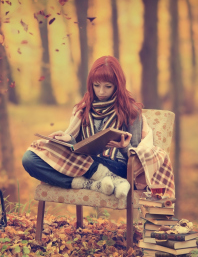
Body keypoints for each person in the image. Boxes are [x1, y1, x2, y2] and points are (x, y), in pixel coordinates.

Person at [22, 56, 143, 200]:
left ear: (118, 85)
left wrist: (124, 146)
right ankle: (90, 184)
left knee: (84, 160)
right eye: (96, 85)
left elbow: (137, 157)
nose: (101, 92)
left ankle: (106, 177)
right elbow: (79, 148)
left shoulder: (131, 110)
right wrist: (69, 139)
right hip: (84, 163)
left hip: (116, 167)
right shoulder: (83, 108)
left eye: (108, 86)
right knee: (29, 159)